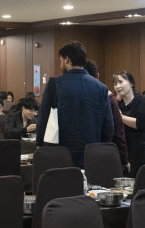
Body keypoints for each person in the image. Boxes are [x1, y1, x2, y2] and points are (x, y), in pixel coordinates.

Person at [36, 41, 113, 169]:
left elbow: (43, 118)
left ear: (67, 59)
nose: (60, 64)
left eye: (61, 60)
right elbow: (108, 125)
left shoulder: (54, 85)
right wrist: (102, 148)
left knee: (65, 181)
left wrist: (40, 143)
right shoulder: (101, 88)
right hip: (92, 153)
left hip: (61, 152)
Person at [113, 70, 145, 174]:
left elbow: (139, 123)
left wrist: (120, 116)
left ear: (131, 83)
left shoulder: (142, 100)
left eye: (120, 82)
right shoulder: (118, 104)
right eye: (115, 84)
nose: (117, 86)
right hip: (129, 153)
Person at [85, 60, 128, 170]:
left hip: (76, 156)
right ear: (97, 76)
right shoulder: (107, 95)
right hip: (103, 154)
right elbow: (117, 131)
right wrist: (124, 159)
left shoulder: (71, 95)